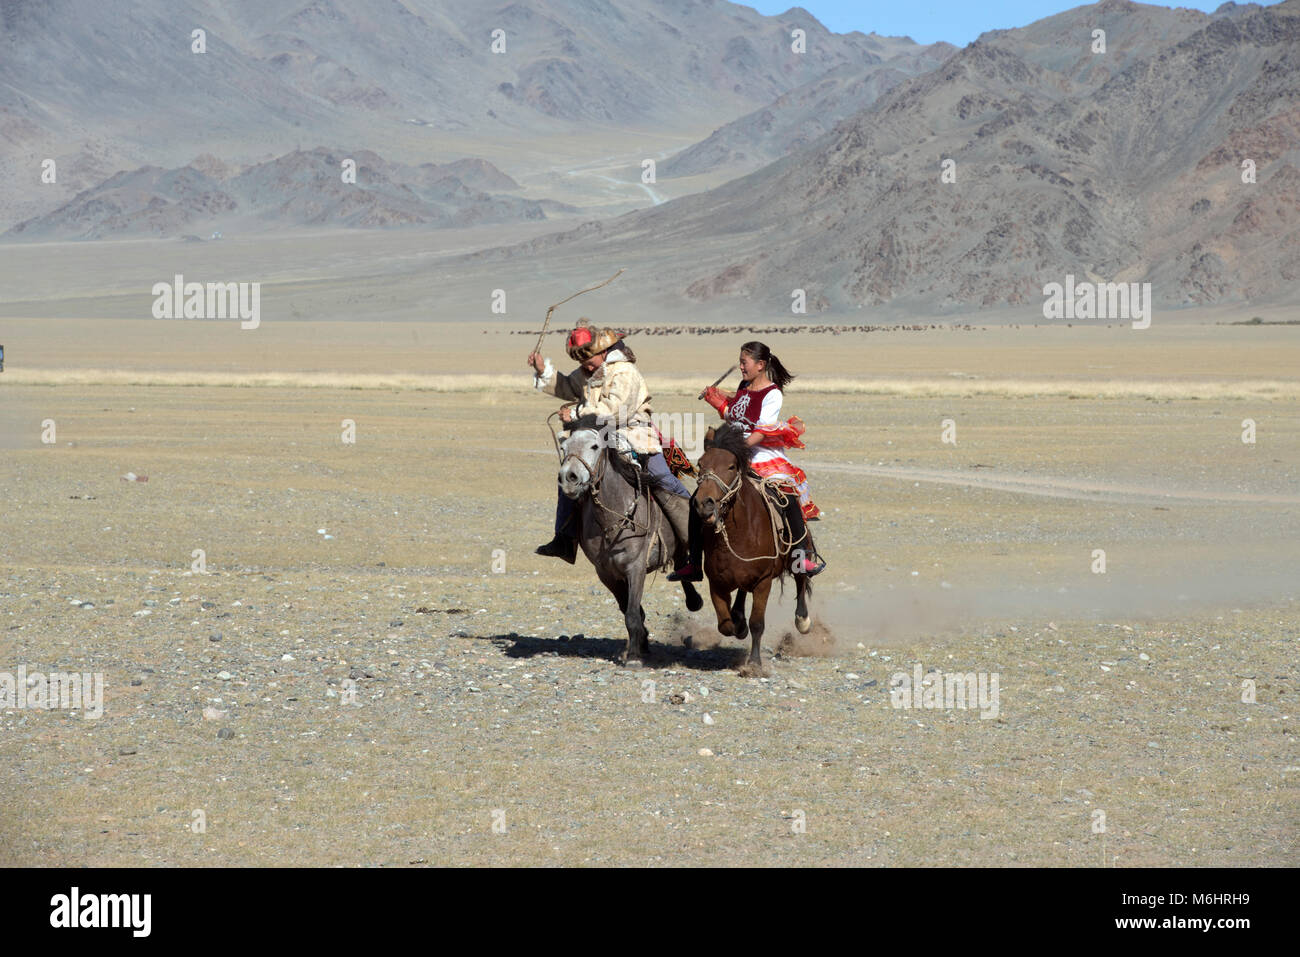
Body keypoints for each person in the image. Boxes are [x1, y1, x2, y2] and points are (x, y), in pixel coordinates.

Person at [528, 319, 693, 564]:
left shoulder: (625, 372)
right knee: (569, 475)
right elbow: (566, 386)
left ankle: (693, 535)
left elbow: (615, 408)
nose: (583, 365)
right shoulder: (589, 371)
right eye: (580, 361)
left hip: (633, 434)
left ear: (603, 351)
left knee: (662, 478)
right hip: (599, 436)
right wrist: (543, 371)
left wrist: (575, 414)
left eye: (588, 359)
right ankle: (564, 539)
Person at [668, 340, 824, 581]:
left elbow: (761, 431)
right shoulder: (744, 386)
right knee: (698, 498)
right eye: (740, 362)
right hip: (733, 451)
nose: (741, 366)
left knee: (787, 496)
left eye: (744, 362)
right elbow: (736, 415)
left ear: (760, 365)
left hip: (759, 453)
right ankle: (695, 563)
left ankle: (800, 557)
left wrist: (736, 449)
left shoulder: (772, 394)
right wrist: (716, 399)